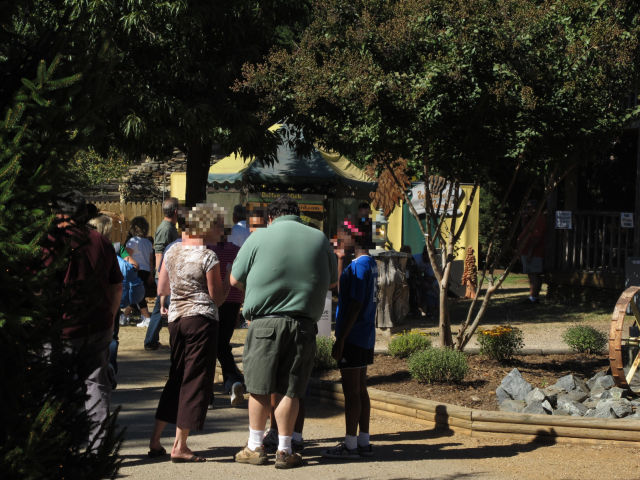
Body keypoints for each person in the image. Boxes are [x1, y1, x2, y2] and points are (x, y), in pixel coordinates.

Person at [232, 195, 337, 469]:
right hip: (303, 325)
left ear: (270, 217)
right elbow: (334, 280)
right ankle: (284, 449)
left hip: (264, 321)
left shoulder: (257, 237)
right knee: (291, 389)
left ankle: (255, 446)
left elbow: (234, 278)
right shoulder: (319, 239)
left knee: (258, 387)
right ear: (298, 215)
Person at [148, 204, 230, 462]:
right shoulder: (208, 257)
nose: (221, 230)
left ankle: (155, 439)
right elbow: (216, 298)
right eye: (218, 224)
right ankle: (180, 445)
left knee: (176, 376)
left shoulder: (173, 253)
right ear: (207, 227)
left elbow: (162, 288)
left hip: (176, 320)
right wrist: (229, 283)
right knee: (195, 379)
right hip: (201, 320)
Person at [42, 191, 123, 448]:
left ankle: (57, 443)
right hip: (97, 324)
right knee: (95, 384)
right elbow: (115, 285)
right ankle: (97, 446)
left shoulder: (53, 241)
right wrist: (110, 318)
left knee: (56, 387)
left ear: (61, 215)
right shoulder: (100, 241)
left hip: (63, 327)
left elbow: (40, 285)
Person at [323, 220, 378, 459]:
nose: (337, 239)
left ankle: (350, 445)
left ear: (353, 238)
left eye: (341, 236)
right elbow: (339, 288)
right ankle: (362, 441)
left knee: (351, 392)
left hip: (353, 336)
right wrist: (339, 259)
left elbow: (354, 304)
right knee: (361, 390)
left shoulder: (358, 267)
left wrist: (341, 338)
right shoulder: (370, 264)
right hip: (365, 335)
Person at [208, 228, 245, 407]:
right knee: (221, 344)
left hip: (213, 300)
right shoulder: (237, 250)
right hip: (233, 301)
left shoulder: (207, 250)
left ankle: (212, 390)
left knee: (212, 346)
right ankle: (233, 382)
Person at [144, 198, 179, 350]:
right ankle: (177, 341)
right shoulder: (166, 228)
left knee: (160, 308)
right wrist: (160, 275)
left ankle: (151, 340)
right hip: (165, 275)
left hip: (165, 275)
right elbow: (159, 252)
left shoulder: (169, 227)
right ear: (176, 211)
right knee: (172, 307)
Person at [125, 216, 154, 327]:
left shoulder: (132, 241)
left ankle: (147, 318)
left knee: (137, 296)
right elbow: (151, 260)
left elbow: (127, 257)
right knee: (136, 295)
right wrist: (151, 274)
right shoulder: (147, 242)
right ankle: (125, 316)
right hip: (146, 271)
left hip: (136, 270)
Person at [517, 201, 547, 304]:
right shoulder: (532, 219)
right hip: (527, 251)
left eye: (528, 208)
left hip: (534, 253)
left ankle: (534, 298)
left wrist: (530, 252)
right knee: (531, 275)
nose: (526, 210)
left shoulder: (539, 219)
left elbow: (536, 238)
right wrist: (523, 219)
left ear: (535, 208)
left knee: (534, 275)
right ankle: (532, 296)